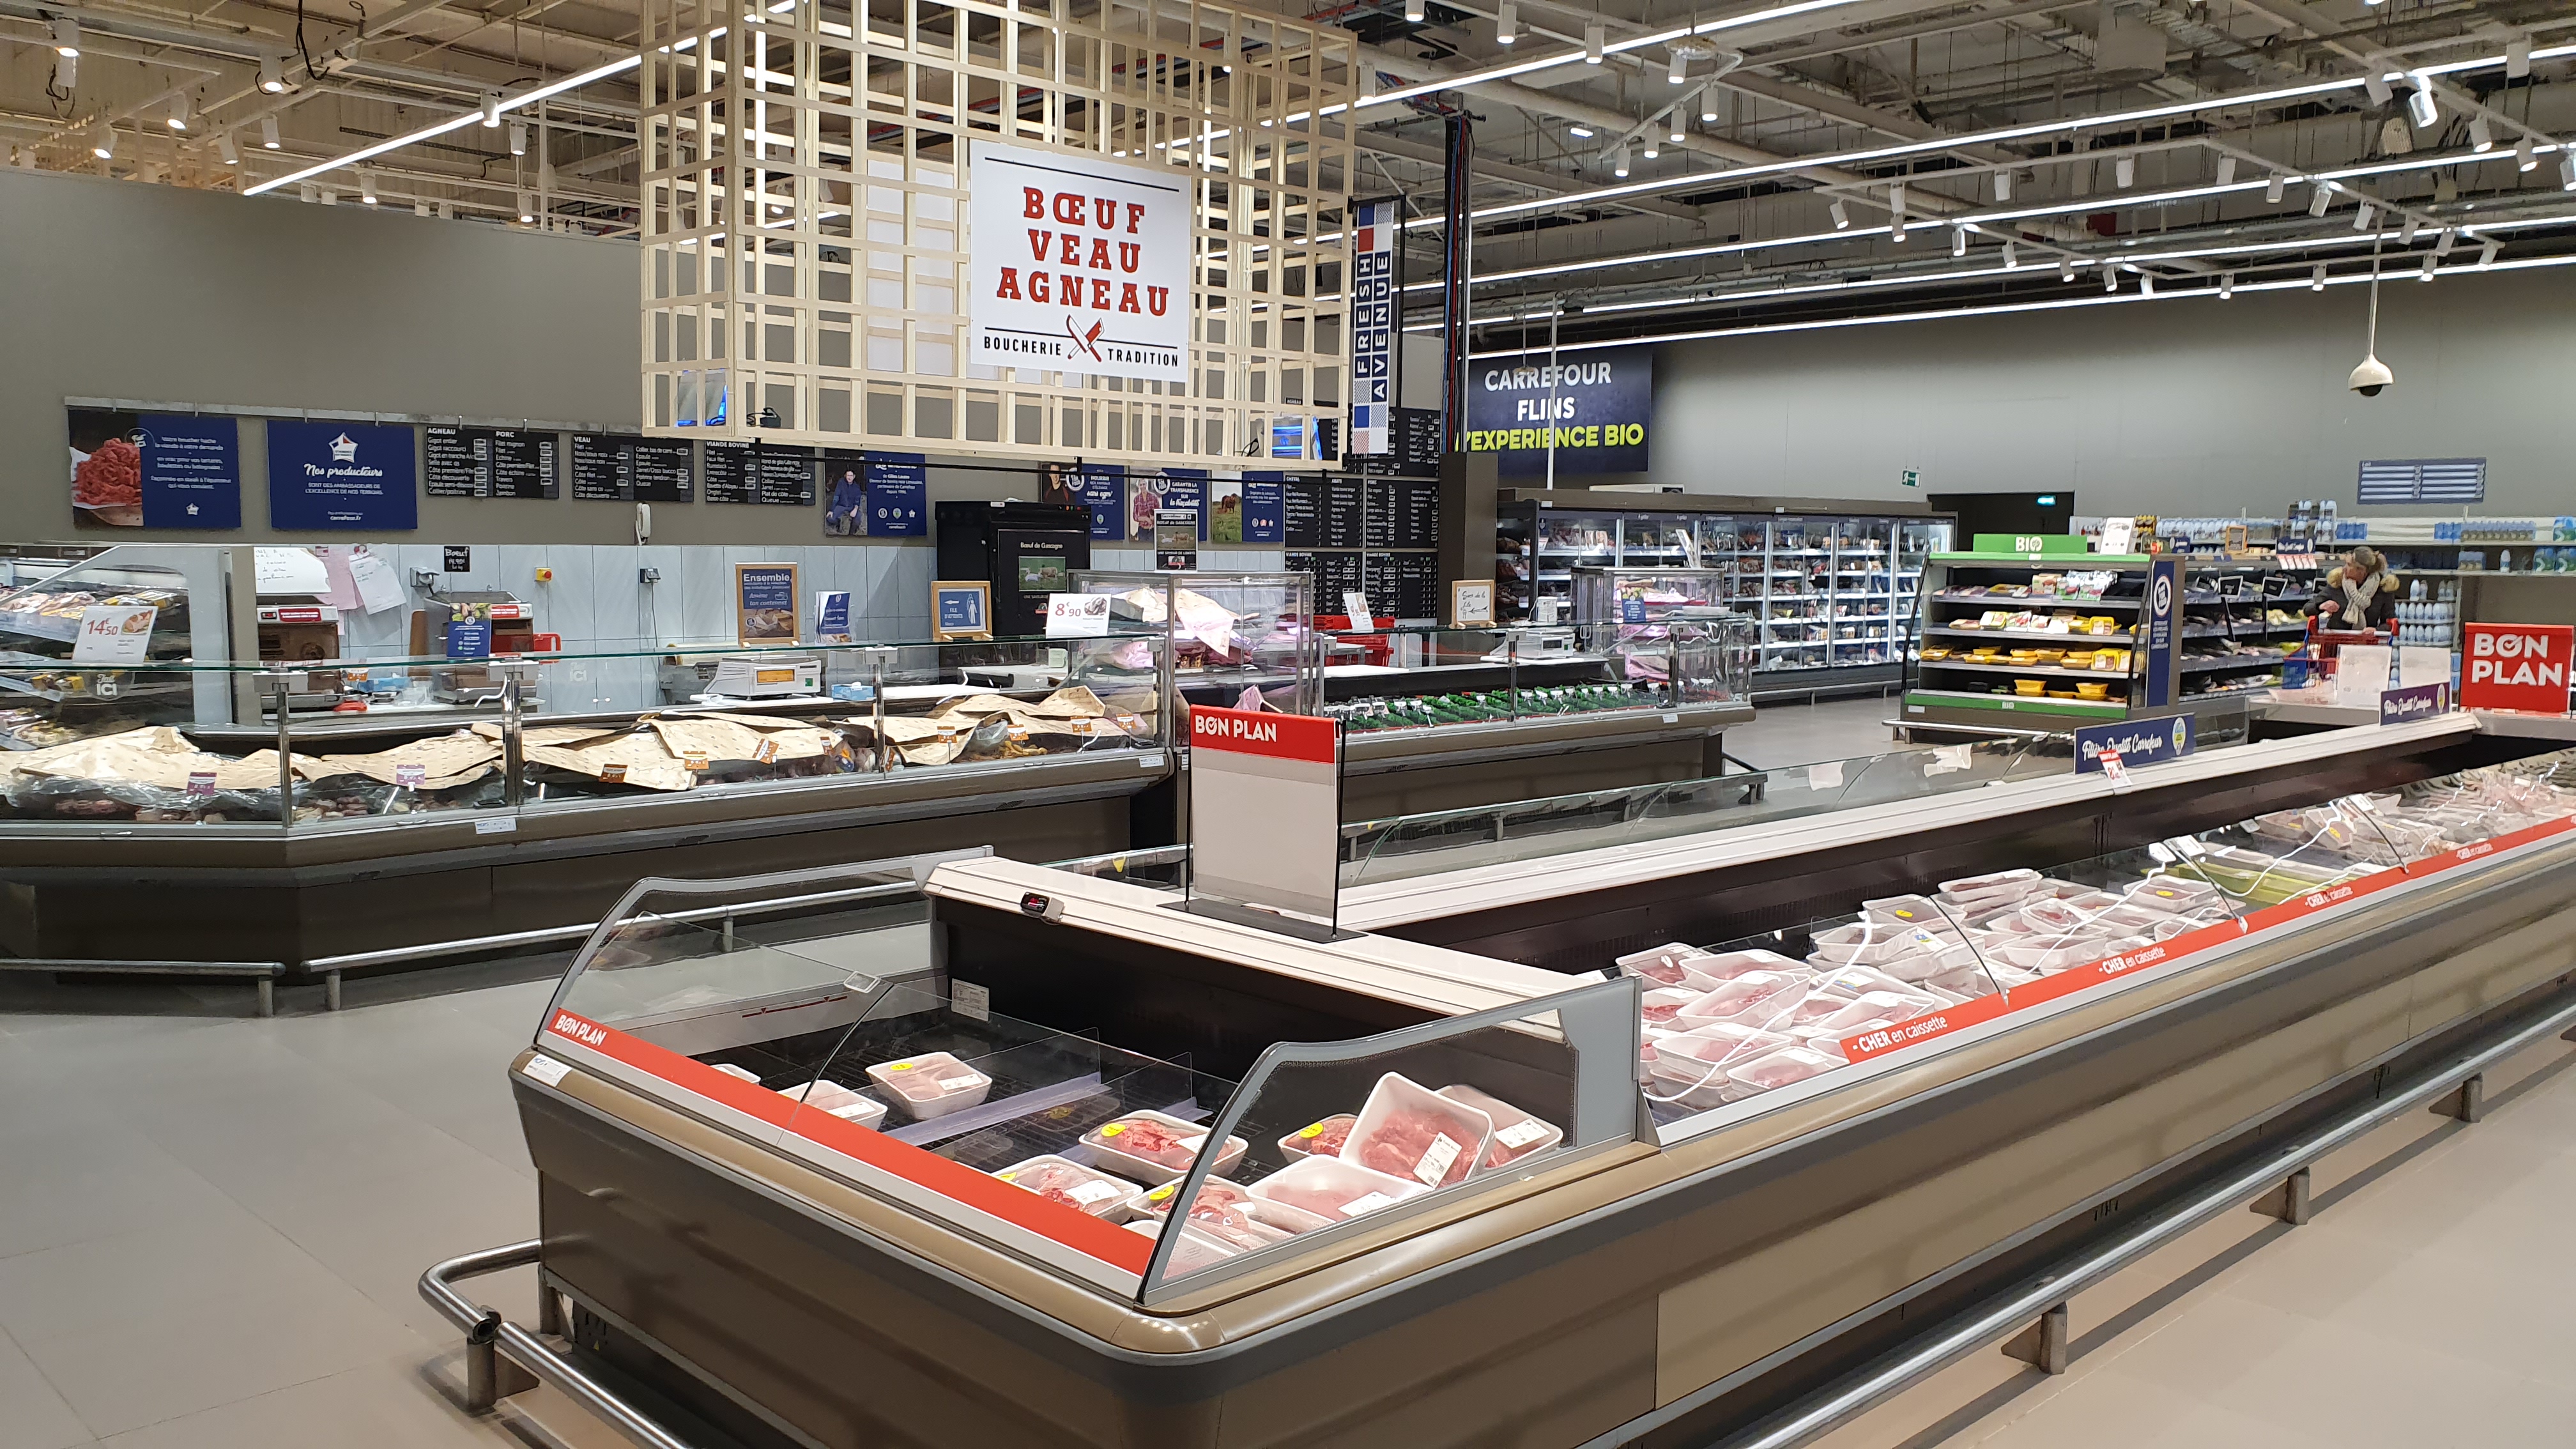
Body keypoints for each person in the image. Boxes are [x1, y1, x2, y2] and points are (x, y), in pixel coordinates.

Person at [2307, 546, 2401, 632]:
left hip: (2367, 642)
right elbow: (2307, 609)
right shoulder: (2337, 582)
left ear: (2361, 571)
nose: (2344, 568)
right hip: (2335, 641)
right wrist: (2321, 606)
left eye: (2349, 565)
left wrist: (2376, 630)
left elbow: (2390, 623)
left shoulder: (2383, 589)